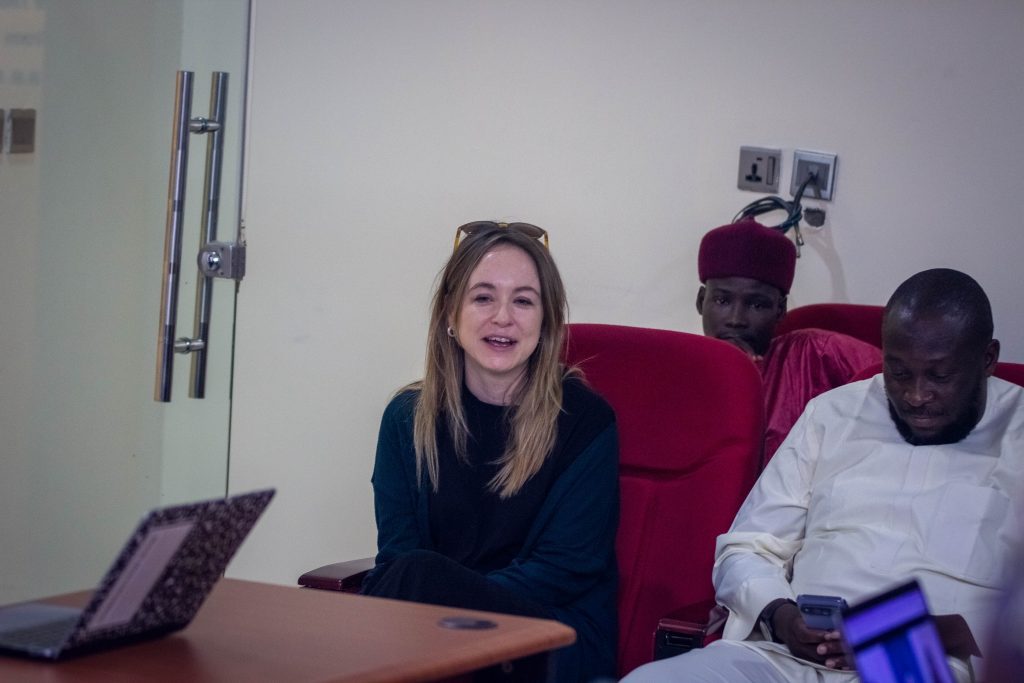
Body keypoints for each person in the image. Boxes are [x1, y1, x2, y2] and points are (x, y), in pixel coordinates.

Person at [624, 268, 1024, 683]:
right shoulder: (833, 413)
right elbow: (746, 547)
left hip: (928, 658)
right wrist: (781, 615)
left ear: (987, 360)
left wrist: (937, 633)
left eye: (940, 376)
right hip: (789, 655)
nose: (916, 395)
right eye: (899, 372)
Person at [360, 221, 620, 683]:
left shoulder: (585, 418)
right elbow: (396, 551)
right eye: (482, 297)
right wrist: (442, 614)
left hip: (550, 632)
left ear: (546, 323)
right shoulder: (406, 418)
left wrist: (445, 608)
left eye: (523, 300)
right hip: (434, 630)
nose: (503, 317)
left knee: (412, 581)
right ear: (449, 313)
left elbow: (566, 569)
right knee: (406, 578)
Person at [695, 219, 881, 462]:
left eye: (757, 304)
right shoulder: (678, 370)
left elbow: (897, 379)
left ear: (780, 310)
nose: (736, 319)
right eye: (722, 301)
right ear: (701, 301)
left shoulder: (815, 354)